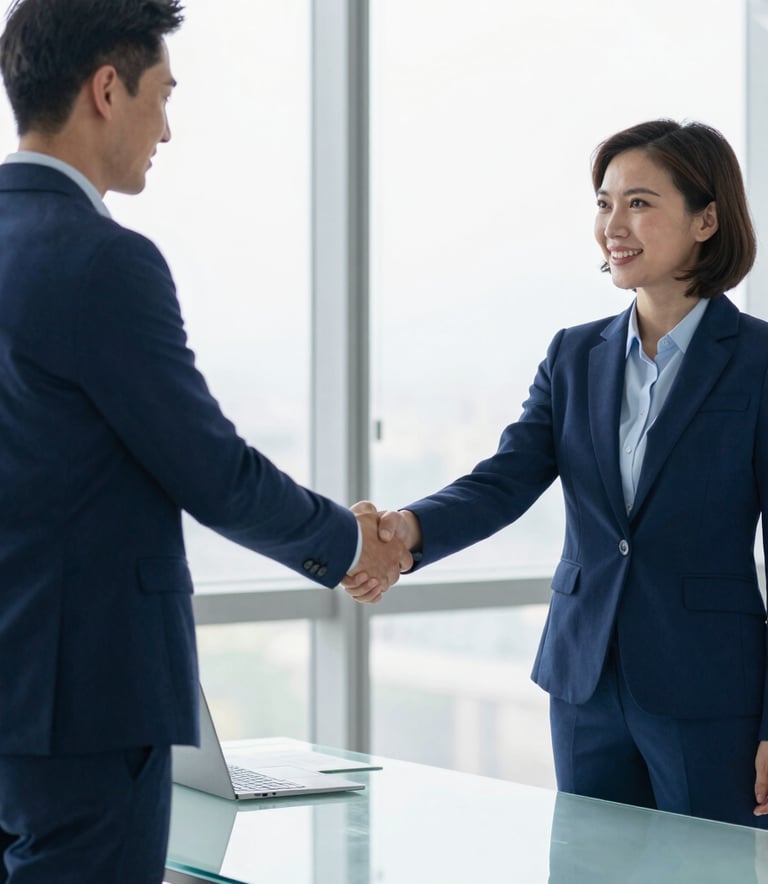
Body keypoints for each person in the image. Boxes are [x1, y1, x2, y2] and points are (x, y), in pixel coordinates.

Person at [0, 1, 410, 881]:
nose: (168, 129)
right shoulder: (103, 259)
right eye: (162, 95)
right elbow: (212, 470)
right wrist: (346, 543)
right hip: (86, 708)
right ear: (107, 89)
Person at [344, 119, 768, 829]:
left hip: (710, 692)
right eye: (603, 203)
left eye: (638, 202)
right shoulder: (575, 356)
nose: (613, 225)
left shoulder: (757, 363)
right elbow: (506, 477)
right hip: (584, 680)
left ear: (707, 219)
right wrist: (406, 530)